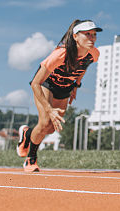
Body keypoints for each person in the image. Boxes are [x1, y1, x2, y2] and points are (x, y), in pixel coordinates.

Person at [16, 19, 102, 172]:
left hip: (65, 88)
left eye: (94, 34)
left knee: (50, 129)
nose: (92, 38)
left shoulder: (94, 54)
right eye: (87, 34)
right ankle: (31, 159)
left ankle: (27, 133)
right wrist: (48, 109)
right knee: (45, 122)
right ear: (76, 37)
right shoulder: (60, 54)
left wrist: (76, 85)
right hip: (46, 85)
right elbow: (35, 83)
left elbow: (83, 68)